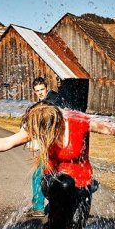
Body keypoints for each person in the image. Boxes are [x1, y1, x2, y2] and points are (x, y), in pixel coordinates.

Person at [26, 77, 65, 218]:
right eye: (37, 91)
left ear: (46, 88)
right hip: (50, 144)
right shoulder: (44, 102)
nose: (40, 93)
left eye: (42, 89)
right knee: (50, 175)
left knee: (39, 175)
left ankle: (38, 207)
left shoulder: (52, 100)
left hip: (51, 145)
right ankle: (55, 205)